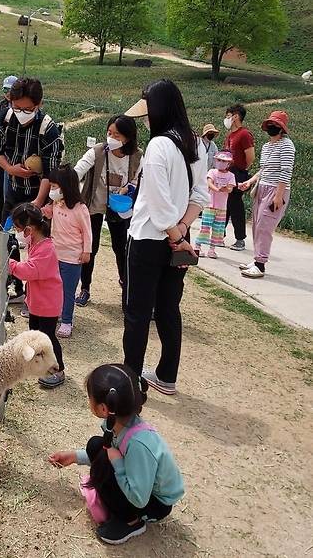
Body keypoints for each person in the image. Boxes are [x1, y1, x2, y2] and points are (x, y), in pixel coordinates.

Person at [121, 80, 208, 395]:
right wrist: (182, 232)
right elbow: (200, 194)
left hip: (147, 239)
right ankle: (167, 375)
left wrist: (174, 232)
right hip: (177, 242)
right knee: (169, 308)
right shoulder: (198, 144)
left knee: (138, 312)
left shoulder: (158, 145)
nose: (145, 121)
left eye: (147, 114)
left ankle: (131, 378)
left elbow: (157, 203)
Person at [48, 364, 184, 545]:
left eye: (89, 397)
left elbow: (139, 498)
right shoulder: (117, 422)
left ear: (104, 408)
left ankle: (132, 522)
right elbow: (108, 449)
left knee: (104, 464)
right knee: (96, 445)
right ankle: (118, 501)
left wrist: (118, 464)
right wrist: (74, 457)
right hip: (140, 484)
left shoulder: (138, 444)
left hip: (154, 504)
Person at [0, 78, 64, 306]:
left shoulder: (49, 129)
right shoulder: (4, 117)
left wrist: (36, 206)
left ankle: (38, 295)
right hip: (12, 190)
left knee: (37, 244)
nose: (21, 113)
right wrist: (11, 169)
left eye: (28, 109)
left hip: (37, 195)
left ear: (39, 104)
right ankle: (13, 287)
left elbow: (50, 173)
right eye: (17, 107)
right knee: (8, 238)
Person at [74, 115, 143, 307]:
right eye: (109, 133)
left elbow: (138, 180)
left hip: (120, 206)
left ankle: (126, 286)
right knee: (90, 247)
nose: (111, 137)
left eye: (117, 135)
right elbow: (78, 170)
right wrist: (65, 185)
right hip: (94, 204)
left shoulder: (137, 156)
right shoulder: (97, 152)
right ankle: (85, 288)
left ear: (128, 138)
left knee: (121, 248)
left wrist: (127, 189)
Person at [0, 203, 65, 388]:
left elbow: (29, 271)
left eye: (18, 229)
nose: (17, 232)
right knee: (35, 333)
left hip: (47, 304)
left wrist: (9, 264)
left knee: (47, 337)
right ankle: (36, 365)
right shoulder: (36, 242)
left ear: (29, 229)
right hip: (37, 301)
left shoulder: (47, 250)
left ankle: (59, 369)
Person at [238, 110, 295, 279]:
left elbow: (286, 172)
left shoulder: (287, 145)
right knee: (257, 224)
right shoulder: (266, 146)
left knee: (265, 226)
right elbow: (264, 170)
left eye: (276, 125)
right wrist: (250, 182)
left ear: (282, 128)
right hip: (262, 187)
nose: (272, 127)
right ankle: (257, 259)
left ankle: (260, 264)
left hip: (276, 189)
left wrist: (279, 196)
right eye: (270, 124)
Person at [41, 164, 92, 338]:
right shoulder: (56, 204)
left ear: (66, 187)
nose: (52, 189)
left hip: (72, 258)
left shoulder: (80, 209)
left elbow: (87, 232)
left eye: (55, 186)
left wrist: (87, 251)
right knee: (54, 287)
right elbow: (50, 216)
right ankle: (55, 313)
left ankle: (67, 321)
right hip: (55, 254)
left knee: (68, 291)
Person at [223, 104, 255, 251]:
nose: (227, 119)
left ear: (236, 116)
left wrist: (242, 170)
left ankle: (240, 239)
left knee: (235, 205)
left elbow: (250, 157)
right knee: (225, 204)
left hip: (238, 173)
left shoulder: (244, 134)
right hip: (227, 172)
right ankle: (219, 234)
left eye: (229, 116)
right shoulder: (230, 135)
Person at [0, 75, 18, 232]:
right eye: (5, 89)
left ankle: (12, 221)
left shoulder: (22, 107)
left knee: (13, 190)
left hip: (15, 154)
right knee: (0, 187)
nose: (7, 93)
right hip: (1, 154)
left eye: (10, 89)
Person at [194, 151, 235, 258]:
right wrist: (217, 189)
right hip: (209, 205)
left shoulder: (231, 176)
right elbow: (209, 183)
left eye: (224, 161)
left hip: (222, 208)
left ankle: (212, 249)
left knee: (218, 230)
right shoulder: (212, 172)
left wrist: (225, 188)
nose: (221, 162)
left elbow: (230, 188)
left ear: (228, 163)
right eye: (219, 160)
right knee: (205, 227)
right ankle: (197, 247)